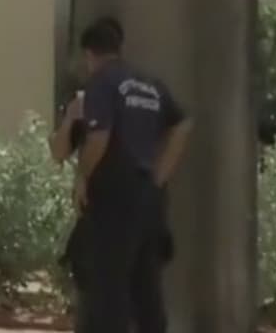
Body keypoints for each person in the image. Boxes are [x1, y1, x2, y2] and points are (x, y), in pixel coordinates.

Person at [74, 17, 193, 333]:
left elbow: (99, 139)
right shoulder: (149, 84)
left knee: (109, 286)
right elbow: (183, 124)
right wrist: (159, 176)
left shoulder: (101, 82)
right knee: (146, 285)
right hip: (150, 199)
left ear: (90, 54)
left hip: (115, 195)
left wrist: (82, 177)